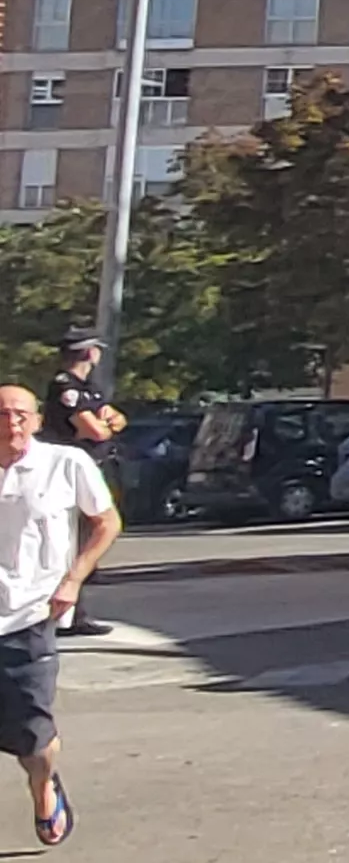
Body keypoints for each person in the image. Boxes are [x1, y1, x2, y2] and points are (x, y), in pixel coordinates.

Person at [0, 385, 118, 845]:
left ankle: (42, 784)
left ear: (35, 419)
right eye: (2, 414)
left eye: (20, 414)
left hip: (30, 614)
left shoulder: (66, 464)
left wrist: (72, 581)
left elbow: (107, 523)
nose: (12, 423)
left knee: (32, 736)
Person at [40, 345, 117, 639]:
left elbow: (117, 418)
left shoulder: (89, 388)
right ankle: (68, 615)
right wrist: (106, 427)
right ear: (89, 353)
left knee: (87, 538)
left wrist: (108, 423)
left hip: (93, 467)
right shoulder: (66, 386)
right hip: (70, 472)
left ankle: (75, 613)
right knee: (73, 541)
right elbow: (93, 431)